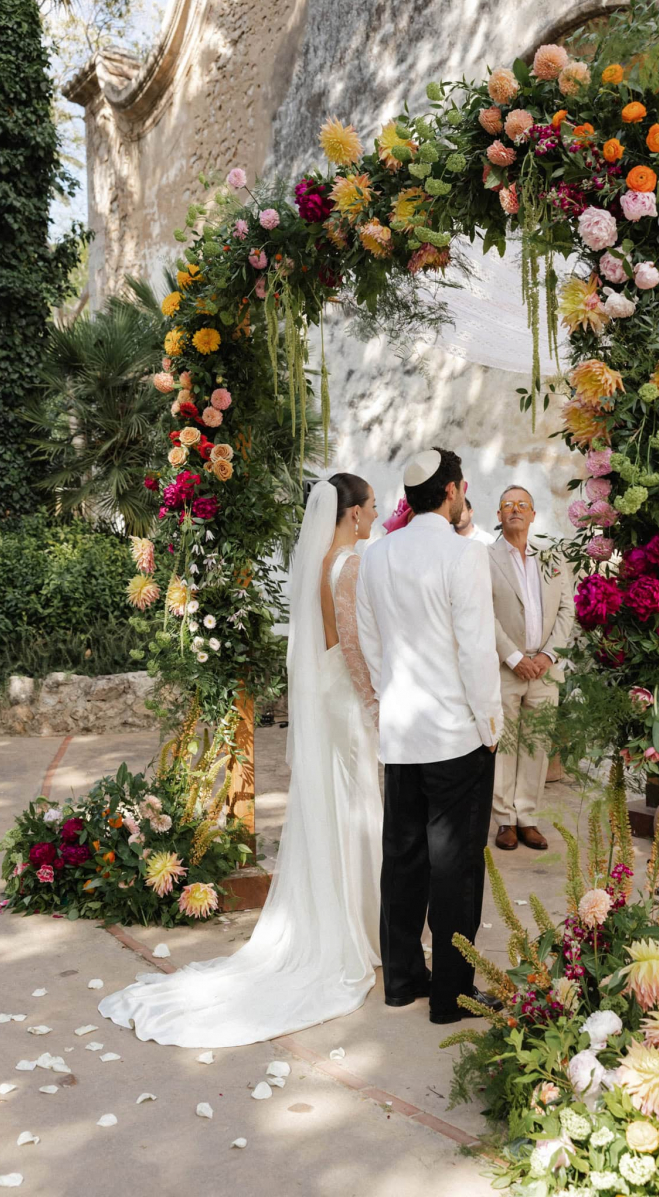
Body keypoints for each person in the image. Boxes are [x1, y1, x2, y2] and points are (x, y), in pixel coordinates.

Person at [99, 474, 383, 1047]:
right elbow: (352, 642)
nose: (375, 515)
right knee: (359, 804)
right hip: (349, 695)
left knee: (337, 801)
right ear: (352, 513)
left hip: (326, 694)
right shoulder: (349, 564)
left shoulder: (317, 564)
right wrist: (375, 699)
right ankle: (363, 929)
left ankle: (349, 917)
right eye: (372, 507)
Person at [356, 448, 504, 1025]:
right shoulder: (463, 554)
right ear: (452, 492)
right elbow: (475, 651)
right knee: (457, 868)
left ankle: (400, 981)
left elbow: (372, 646)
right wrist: (490, 724)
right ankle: (451, 996)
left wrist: (387, 706)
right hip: (454, 735)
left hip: (400, 732)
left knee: (404, 859)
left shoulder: (377, 554)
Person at [488, 484, 573, 853]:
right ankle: (504, 820)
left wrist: (548, 655)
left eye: (523, 504)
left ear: (534, 514)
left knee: (537, 745)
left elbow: (568, 610)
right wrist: (513, 657)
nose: (515, 510)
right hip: (506, 667)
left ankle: (528, 818)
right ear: (499, 515)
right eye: (508, 504)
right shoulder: (485, 558)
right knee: (504, 744)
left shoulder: (552, 556)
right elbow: (482, 613)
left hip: (544, 668)